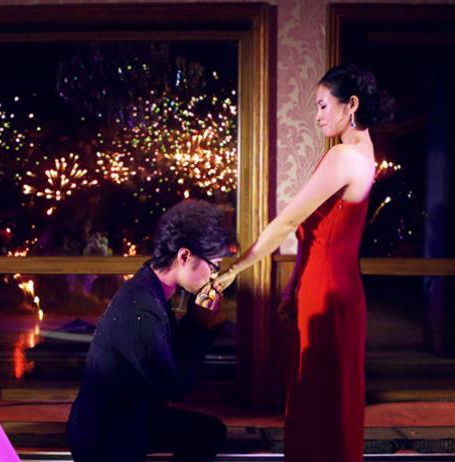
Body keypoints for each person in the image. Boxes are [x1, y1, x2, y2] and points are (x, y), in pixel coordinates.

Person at [200, 64, 394, 462]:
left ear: (351, 105)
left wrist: (234, 270)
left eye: (323, 105)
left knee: (317, 401)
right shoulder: (366, 153)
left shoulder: (343, 156)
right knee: (329, 401)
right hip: (337, 290)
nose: (317, 115)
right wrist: (291, 288)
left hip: (326, 293)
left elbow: (288, 222)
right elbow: (315, 233)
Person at [67, 200, 231, 462]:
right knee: (203, 433)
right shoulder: (140, 308)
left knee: (208, 432)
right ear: (184, 256)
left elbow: (173, 361)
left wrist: (197, 320)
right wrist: (201, 325)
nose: (214, 276)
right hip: (104, 434)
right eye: (214, 266)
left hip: (132, 416)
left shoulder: (152, 287)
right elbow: (175, 387)